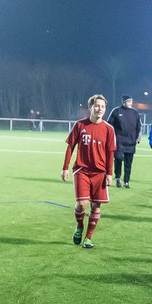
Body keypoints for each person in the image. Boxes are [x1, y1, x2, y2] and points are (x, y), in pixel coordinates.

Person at [61, 94, 116, 249]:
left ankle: (88, 238)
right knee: (81, 204)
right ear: (90, 107)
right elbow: (70, 146)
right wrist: (65, 167)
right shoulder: (80, 125)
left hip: (100, 173)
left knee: (96, 206)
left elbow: (110, 153)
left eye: (103, 107)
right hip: (82, 170)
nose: (100, 109)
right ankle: (79, 226)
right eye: (97, 106)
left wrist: (109, 174)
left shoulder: (108, 129)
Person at [107, 95, 143, 188]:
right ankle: (118, 178)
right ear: (123, 102)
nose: (130, 103)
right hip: (119, 141)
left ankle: (126, 181)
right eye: (128, 101)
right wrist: (111, 138)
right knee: (118, 159)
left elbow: (139, 126)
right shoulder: (116, 111)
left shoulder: (135, 112)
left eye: (131, 101)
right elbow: (109, 125)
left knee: (128, 163)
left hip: (131, 142)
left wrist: (138, 138)